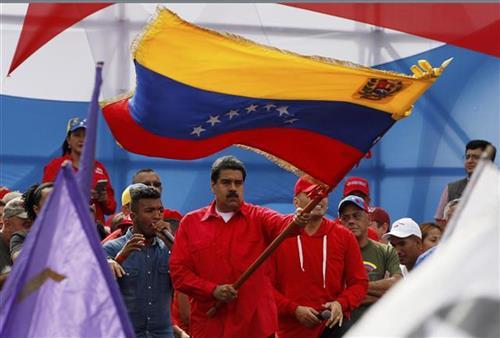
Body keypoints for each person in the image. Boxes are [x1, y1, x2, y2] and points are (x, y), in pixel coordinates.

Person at [169, 155, 309, 338]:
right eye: (226, 182)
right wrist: (213, 290)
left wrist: (296, 219)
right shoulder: (190, 223)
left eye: (238, 183)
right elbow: (179, 273)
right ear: (213, 185)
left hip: (255, 328)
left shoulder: (259, 217)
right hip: (210, 326)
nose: (233, 188)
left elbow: (285, 225)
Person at [272, 176, 368, 338]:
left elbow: (359, 282)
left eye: (323, 194)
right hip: (289, 329)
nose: (319, 199)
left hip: (330, 324)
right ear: (296, 202)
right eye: (311, 194)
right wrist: (293, 309)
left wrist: (340, 303)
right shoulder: (278, 234)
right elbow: (265, 287)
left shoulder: (344, 236)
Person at [103, 185, 175, 338]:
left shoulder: (170, 248)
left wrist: (174, 247)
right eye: (149, 211)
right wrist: (119, 259)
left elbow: (190, 279)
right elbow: (96, 290)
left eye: (160, 210)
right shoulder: (112, 248)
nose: (157, 216)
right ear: (133, 216)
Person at [338, 195, 402, 328]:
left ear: (368, 219)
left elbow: (397, 286)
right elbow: (332, 294)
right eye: (345, 218)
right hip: (341, 328)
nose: (351, 221)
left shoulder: (386, 252)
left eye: (356, 216)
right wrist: (379, 294)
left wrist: (353, 290)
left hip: (378, 327)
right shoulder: (333, 252)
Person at [42, 117, 116, 224]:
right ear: (68, 140)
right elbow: (45, 200)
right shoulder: (56, 166)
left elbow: (111, 208)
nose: (82, 139)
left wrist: (104, 199)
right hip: (65, 226)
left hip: (95, 230)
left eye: (86, 135)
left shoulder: (99, 167)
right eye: (77, 135)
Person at [435, 140, 496, 225]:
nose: (470, 161)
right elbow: (440, 222)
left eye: (476, 157)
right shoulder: (451, 188)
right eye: (467, 157)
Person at [9, 183, 54, 262]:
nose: (56, 206)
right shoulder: (22, 237)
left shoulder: (75, 231)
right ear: (36, 209)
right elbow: (19, 260)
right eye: (50, 203)